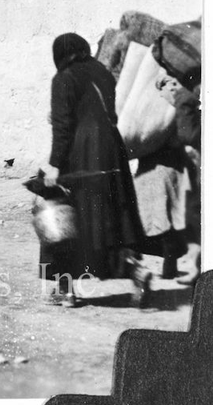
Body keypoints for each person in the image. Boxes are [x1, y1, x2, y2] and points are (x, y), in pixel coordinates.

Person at [40, 32, 151, 307]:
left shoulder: (63, 78)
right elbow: (106, 112)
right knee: (111, 219)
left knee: (64, 214)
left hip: (82, 152)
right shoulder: (101, 71)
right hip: (112, 151)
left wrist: (55, 164)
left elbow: (63, 127)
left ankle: (65, 289)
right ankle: (135, 271)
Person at [152, 74, 202, 284]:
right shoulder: (183, 100)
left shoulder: (183, 100)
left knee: (191, 215)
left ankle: (195, 269)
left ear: (171, 85)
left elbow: (188, 137)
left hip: (191, 165)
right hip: (186, 167)